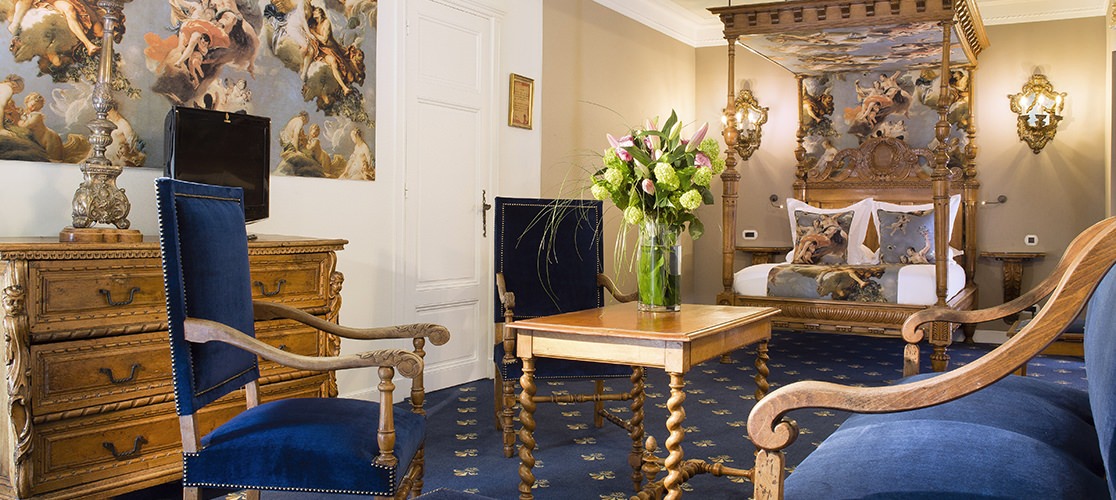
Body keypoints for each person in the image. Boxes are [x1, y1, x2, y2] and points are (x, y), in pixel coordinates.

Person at [18, 92, 63, 161]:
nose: (33, 108)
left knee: (53, 159)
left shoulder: (37, 115)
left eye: (37, 107)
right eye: (32, 105)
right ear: (27, 102)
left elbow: (27, 126)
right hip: (39, 140)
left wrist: (20, 122)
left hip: (49, 138)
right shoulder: (26, 114)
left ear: (40, 107)